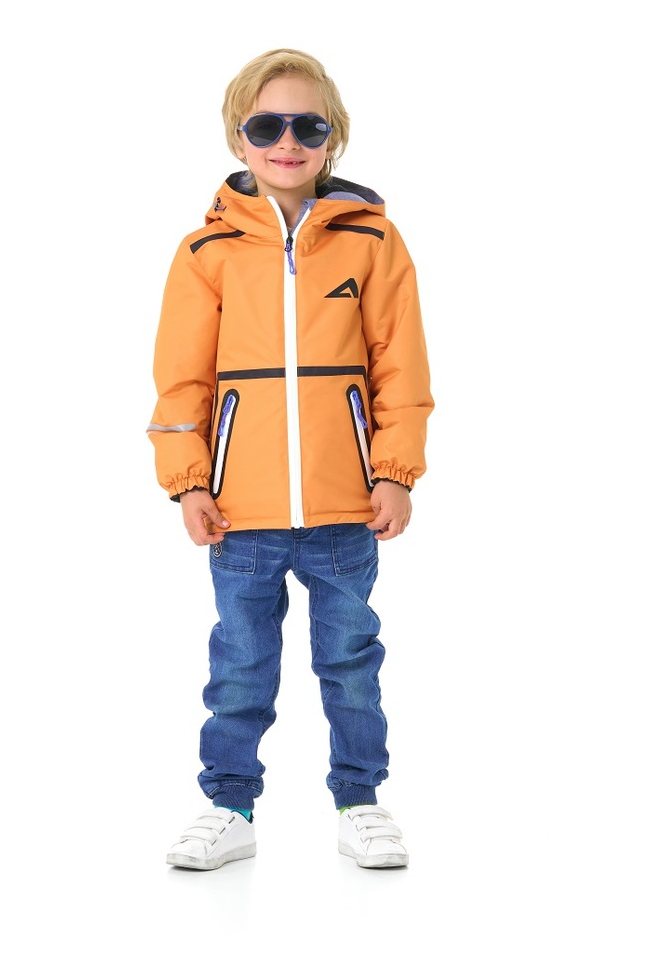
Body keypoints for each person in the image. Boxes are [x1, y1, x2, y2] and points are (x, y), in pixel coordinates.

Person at [147, 48, 434, 870]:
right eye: (267, 125)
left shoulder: (372, 240)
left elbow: (400, 368)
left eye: (307, 126)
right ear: (238, 137)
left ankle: (359, 802)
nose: (287, 141)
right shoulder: (205, 253)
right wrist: (188, 483)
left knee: (350, 665)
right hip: (241, 512)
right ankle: (228, 806)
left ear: (331, 136)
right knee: (239, 666)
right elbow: (182, 381)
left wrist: (394, 471)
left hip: (347, 508)